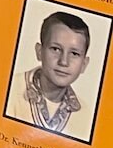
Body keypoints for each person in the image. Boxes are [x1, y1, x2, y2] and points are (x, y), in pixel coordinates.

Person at [8, 11, 92, 140]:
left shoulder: (86, 117)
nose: (63, 62)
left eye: (74, 53)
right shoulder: (10, 90)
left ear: (84, 64)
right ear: (39, 52)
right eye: (55, 49)